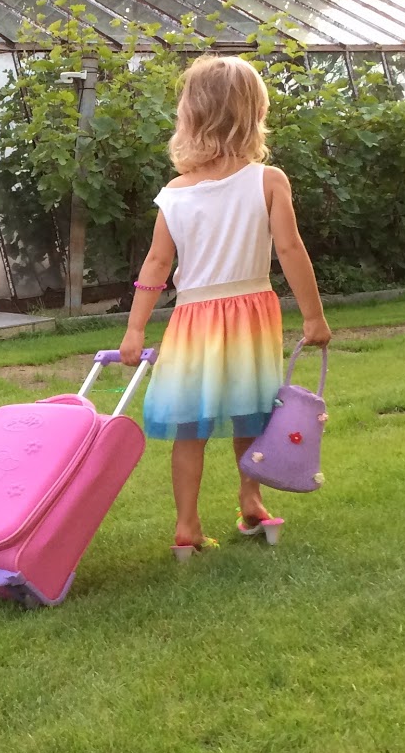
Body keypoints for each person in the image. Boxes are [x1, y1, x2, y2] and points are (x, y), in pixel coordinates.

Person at [117, 55, 330, 560]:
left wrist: (134, 329)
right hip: (251, 317)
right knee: (250, 413)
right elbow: (290, 249)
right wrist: (314, 317)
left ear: (191, 116)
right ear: (254, 115)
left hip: (192, 323)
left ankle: (186, 525)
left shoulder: (174, 194)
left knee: (190, 428)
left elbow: (156, 265)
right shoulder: (268, 180)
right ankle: (250, 502)